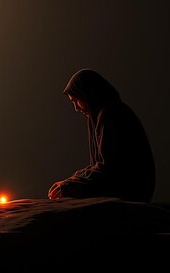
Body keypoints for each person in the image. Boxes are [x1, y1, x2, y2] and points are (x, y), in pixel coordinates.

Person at [48, 69, 155, 202]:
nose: (76, 107)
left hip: (129, 191)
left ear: (88, 94)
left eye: (77, 100)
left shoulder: (111, 115)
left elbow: (109, 171)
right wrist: (70, 181)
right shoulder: (101, 115)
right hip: (121, 185)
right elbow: (98, 166)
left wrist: (70, 186)